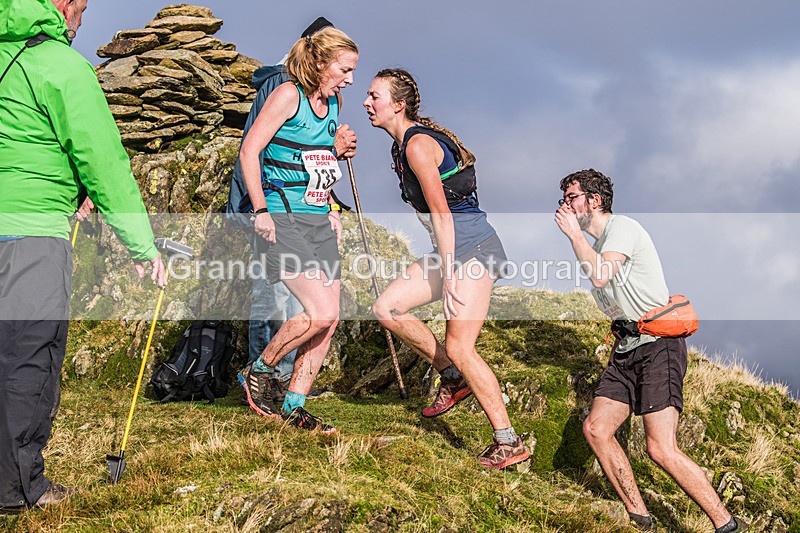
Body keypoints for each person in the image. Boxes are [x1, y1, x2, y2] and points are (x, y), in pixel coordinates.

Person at [0, 0, 165, 514]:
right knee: (28, 360)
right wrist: (141, 244)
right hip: (32, 235)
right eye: (82, 5)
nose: (81, 17)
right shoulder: (58, 64)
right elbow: (103, 158)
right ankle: (17, 490)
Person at [554, 169, 746, 532]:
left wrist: (574, 235)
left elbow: (600, 276)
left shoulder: (621, 228)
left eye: (572, 197)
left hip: (659, 347)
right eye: (564, 198)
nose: (564, 204)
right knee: (596, 429)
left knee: (660, 448)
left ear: (594, 201)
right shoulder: (595, 248)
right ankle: (640, 518)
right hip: (626, 350)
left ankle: (726, 524)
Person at [363, 68, 530, 470]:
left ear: (398, 105)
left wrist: (452, 273)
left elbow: (442, 213)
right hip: (453, 249)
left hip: (472, 251)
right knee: (388, 308)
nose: (367, 102)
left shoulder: (418, 145)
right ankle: (452, 379)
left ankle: (508, 441)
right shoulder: (400, 145)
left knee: (461, 344)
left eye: (375, 96)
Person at [227, 17, 356, 409]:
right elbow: (250, 151)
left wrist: (332, 199)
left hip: (318, 217)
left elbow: (315, 160)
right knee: (317, 312)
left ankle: (293, 405)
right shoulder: (287, 94)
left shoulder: (333, 101)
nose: (350, 79)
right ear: (321, 63)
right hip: (282, 215)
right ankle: (260, 370)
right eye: (345, 69)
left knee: (329, 319)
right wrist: (260, 210)